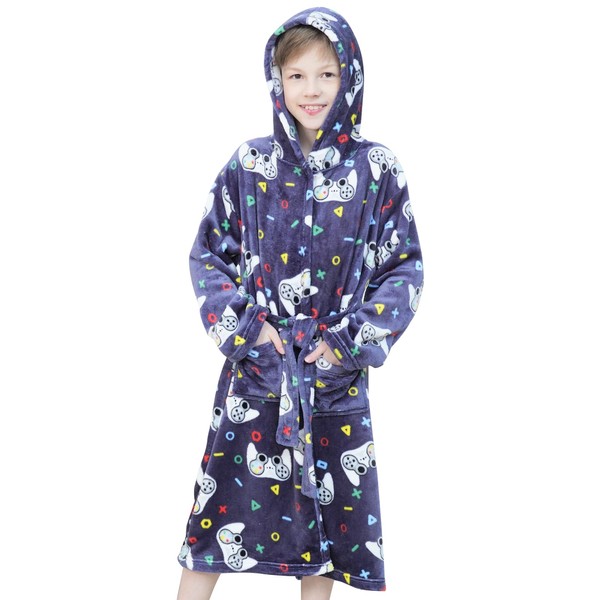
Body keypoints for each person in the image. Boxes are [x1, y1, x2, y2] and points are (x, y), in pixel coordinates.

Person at [176, 7, 424, 599]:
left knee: (327, 531)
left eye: (326, 74)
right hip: (259, 375)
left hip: (333, 376)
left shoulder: (377, 170)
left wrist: (346, 345)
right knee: (214, 520)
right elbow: (208, 254)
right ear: (277, 81)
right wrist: (249, 330)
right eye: (297, 76)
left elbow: (404, 270)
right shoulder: (249, 164)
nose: (311, 91)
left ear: (350, 78)